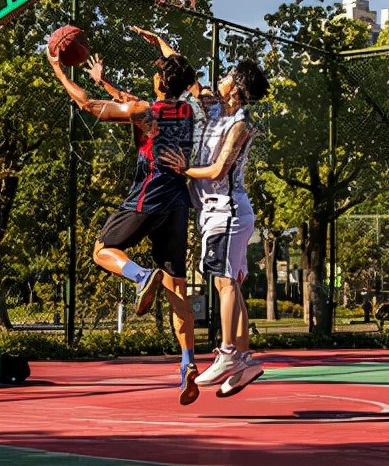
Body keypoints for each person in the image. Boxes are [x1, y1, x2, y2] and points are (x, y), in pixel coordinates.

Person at [46, 34, 202, 405]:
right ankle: (188, 363)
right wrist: (158, 47)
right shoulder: (191, 109)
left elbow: (86, 105)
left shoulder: (145, 111)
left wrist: (57, 67)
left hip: (148, 196)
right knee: (178, 288)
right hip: (179, 204)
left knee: (103, 250)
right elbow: (140, 99)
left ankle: (141, 276)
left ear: (162, 82)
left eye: (157, 72)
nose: (153, 75)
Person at [161, 59, 270, 398]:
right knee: (232, 284)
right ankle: (244, 359)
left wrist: (185, 170)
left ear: (235, 88)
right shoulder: (213, 108)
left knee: (224, 283)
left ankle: (227, 354)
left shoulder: (240, 124)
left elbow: (219, 170)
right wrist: (161, 47)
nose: (218, 80)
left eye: (225, 77)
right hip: (221, 212)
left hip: (227, 210)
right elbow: (187, 73)